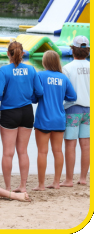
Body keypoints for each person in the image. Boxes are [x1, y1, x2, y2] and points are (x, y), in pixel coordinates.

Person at [0, 41, 43, 193]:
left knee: (8, 152)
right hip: (27, 112)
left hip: (9, 113)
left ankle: (8, 187)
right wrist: (31, 99)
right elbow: (39, 92)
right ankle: (23, 186)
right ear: (23, 54)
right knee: (23, 151)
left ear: (8, 54)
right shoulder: (31, 69)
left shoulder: (4, 70)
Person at [32, 50, 77, 191]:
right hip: (59, 118)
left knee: (42, 152)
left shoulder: (40, 75)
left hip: (44, 118)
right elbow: (73, 96)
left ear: (44, 62)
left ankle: (41, 185)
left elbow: (34, 97)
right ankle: (56, 183)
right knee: (58, 151)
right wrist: (60, 97)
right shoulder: (63, 78)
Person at [59, 36, 90, 187]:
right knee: (86, 145)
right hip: (89, 110)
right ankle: (83, 178)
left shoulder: (67, 68)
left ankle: (69, 179)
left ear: (73, 50)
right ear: (87, 51)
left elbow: (64, 92)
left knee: (70, 145)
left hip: (73, 108)